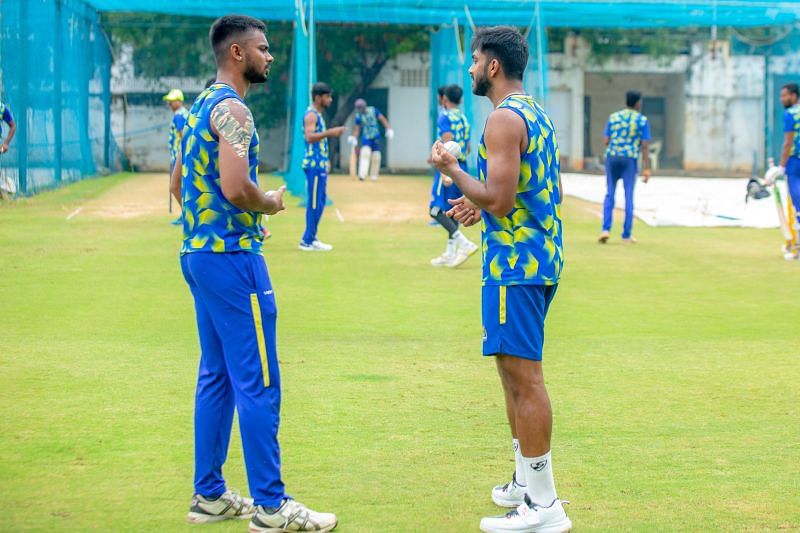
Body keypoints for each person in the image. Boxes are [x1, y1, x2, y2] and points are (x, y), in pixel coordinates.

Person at [169, 15, 337, 532]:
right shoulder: (235, 110)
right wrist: (266, 205)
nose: (270, 57)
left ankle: (210, 495)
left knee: (216, 376)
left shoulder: (200, 105)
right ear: (237, 54)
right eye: (263, 49)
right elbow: (239, 186)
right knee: (259, 379)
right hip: (233, 262)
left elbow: (178, 183)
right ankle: (271, 506)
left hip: (198, 255)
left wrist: (234, 214)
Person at [431, 26, 571, 533]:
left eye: (473, 60)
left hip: (517, 266)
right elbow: (526, 184)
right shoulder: (533, 111)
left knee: (525, 376)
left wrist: (451, 169)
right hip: (538, 257)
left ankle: (544, 505)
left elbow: (501, 199)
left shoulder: (501, 120)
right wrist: (478, 198)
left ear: (492, 66)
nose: (469, 68)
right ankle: (524, 481)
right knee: (511, 373)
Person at [429, 84, 478, 267]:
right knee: (452, 210)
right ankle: (450, 253)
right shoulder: (464, 118)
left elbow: (447, 143)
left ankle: (464, 243)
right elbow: (467, 147)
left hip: (448, 165)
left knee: (435, 209)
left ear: (444, 99)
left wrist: (445, 173)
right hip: (461, 166)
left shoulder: (444, 116)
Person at [598, 90, 651, 244]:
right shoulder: (641, 120)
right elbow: (645, 145)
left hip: (612, 157)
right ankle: (626, 235)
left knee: (610, 193)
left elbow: (606, 140)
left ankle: (605, 229)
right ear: (637, 103)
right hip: (629, 160)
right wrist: (647, 168)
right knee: (628, 196)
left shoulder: (614, 117)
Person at [300, 82, 345, 252]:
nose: (330, 100)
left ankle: (312, 237)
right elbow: (310, 137)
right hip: (313, 166)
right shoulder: (311, 115)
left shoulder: (318, 114)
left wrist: (326, 161)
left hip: (319, 165)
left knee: (319, 203)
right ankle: (307, 240)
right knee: (313, 203)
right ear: (318, 98)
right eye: (327, 97)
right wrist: (331, 133)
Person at [347, 98, 393, 181]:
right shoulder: (359, 116)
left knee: (376, 156)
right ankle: (362, 175)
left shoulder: (373, 110)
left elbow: (382, 119)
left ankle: (374, 175)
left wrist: (388, 128)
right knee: (365, 154)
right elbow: (357, 129)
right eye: (358, 108)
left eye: (361, 107)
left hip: (375, 136)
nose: (360, 109)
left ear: (364, 106)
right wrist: (354, 137)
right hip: (366, 137)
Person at [164, 88, 189, 225]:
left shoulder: (179, 115)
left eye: (172, 101)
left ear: (179, 101)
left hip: (179, 155)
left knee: (177, 186)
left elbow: (182, 133)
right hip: (182, 155)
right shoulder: (185, 113)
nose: (169, 104)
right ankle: (185, 213)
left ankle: (186, 214)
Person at [778, 82, 800, 233]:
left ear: (793, 96)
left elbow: (788, 143)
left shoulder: (791, 113)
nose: (782, 99)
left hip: (794, 160)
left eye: (784, 96)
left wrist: (781, 166)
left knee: (796, 197)